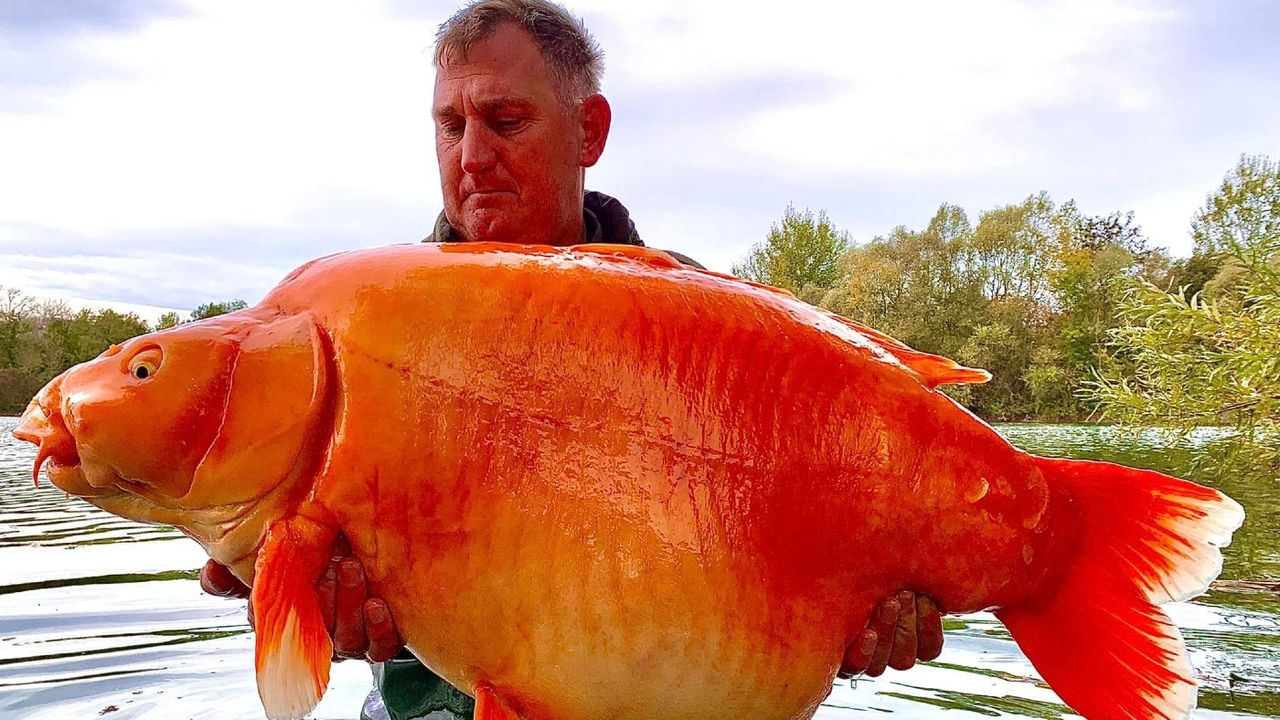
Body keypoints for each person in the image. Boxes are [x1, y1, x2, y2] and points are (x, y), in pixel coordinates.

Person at [200, 2, 944, 718]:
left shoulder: (710, 328)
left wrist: (855, 624)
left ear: (589, 130)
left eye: (505, 121)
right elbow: (286, 591)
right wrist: (293, 591)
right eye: (449, 126)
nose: (472, 156)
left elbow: (782, 575)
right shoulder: (364, 333)